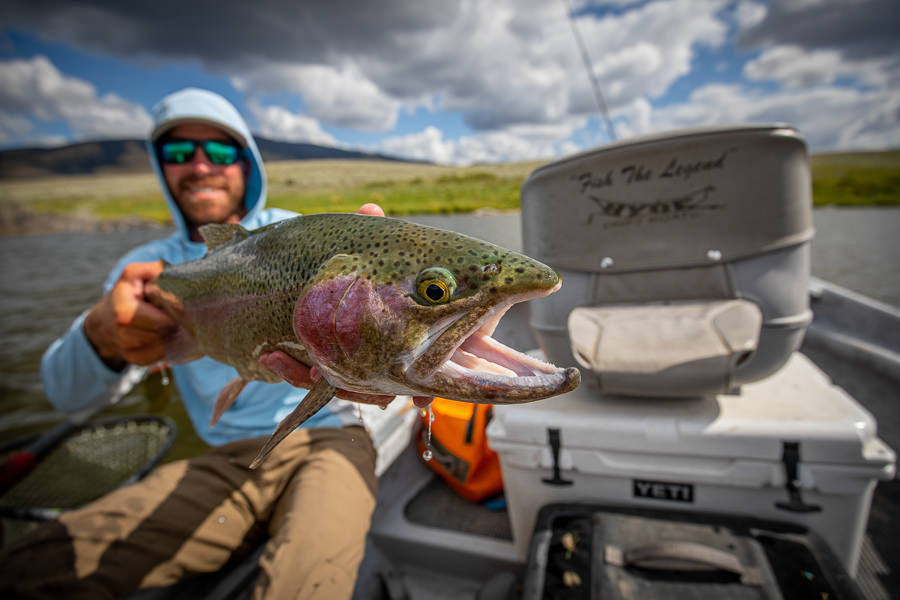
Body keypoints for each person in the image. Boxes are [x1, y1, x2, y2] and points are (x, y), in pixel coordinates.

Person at [0, 87, 406, 599]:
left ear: (246, 163)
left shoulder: (295, 235)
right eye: (178, 153)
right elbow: (67, 398)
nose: (199, 166)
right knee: (31, 566)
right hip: (225, 460)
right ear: (161, 168)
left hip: (328, 437)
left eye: (218, 152)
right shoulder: (148, 272)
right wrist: (103, 336)